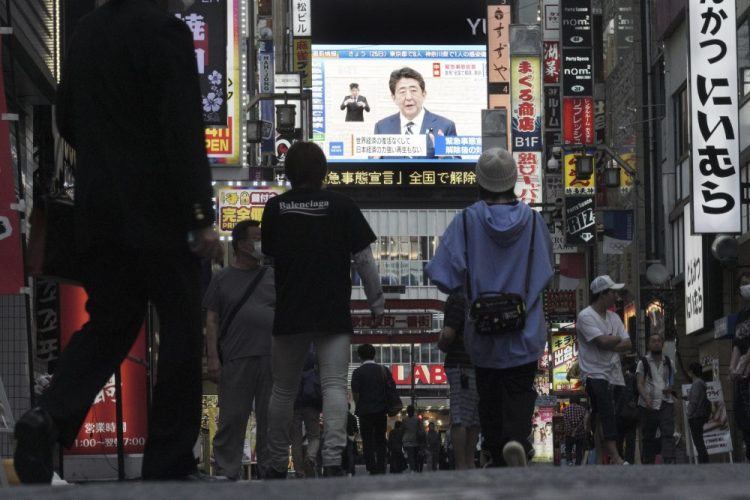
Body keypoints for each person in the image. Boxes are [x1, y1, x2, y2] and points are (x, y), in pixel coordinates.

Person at [12, 0, 223, 484]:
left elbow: (66, 119)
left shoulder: (84, 33)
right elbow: (182, 127)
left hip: (100, 209)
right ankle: (168, 459)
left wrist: (109, 157)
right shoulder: (165, 32)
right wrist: (199, 214)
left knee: (109, 323)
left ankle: (48, 417)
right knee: (182, 328)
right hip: (161, 213)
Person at [261, 141, 384, 478]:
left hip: (289, 313)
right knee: (333, 386)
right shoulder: (342, 205)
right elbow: (364, 260)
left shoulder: (275, 208)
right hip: (331, 312)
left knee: (282, 390)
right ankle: (332, 460)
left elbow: (268, 262)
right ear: (324, 172)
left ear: (288, 173)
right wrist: (376, 302)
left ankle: (273, 464)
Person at [425, 148, 554, 467]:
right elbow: (547, 272)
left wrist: (472, 287)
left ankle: (497, 451)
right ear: (514, 182)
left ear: (480, 184)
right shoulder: (535, 222)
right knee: (520, 389)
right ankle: (516, 440)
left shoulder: (466, 221)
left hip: (482, 332)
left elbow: (442, 275)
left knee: (489, 394)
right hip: (524, 329)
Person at [203, 220, 274, 480]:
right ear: (242, 245)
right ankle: (226, 468)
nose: (261, 244)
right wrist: (212, 357)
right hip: (236, 355)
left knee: (271, 418)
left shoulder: (272, 275)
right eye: (256, 238)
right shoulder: (222, 278)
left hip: (271, 357)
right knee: (232, 416)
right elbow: (212, 319)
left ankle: (270, 468)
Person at [576, 275, 632, 466]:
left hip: (614, 373)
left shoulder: (614, 317)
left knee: (605, 415)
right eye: (613, 292)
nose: (616, 296)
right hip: (593, 372)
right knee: (606, 412)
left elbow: (628, 344)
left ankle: (601, 457)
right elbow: (601, 342)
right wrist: (614, 339)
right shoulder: (585, 316)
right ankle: (615, 457)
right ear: (602, 294)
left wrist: (611, 340)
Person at [373, 67, 457, 157]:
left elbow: (458, 168)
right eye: (402, 92)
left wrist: (444, 158)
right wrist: (374, 162)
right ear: (393, 98)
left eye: (413, 90)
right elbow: (371, 167)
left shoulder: (445, 126)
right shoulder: (382, 127)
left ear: (424, 94)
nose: (408, 97)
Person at [437, 291, 479, 470]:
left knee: (460, 416)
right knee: (474, 417)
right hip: (479, 362)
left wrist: (440, 342)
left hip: (459, 363)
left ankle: (461, 464)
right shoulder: (476, 293)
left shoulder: (458, 298)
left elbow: (447, 335)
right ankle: (470, 461)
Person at [636, 333, 676, 464]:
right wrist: (646, 398)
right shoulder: (643, 363)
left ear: (662, 344)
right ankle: (648, 464)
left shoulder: (669, 362)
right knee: (648, 436)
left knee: (668, 434)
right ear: (649, 344)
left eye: (659, 341)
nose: (656, 343)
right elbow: (640, 383)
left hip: (666, 403)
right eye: (653, 341)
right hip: (648, 405)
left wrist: (670, 388)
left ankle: (669, 462)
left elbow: (672, 381)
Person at [351, 343, 390, 475]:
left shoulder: (357, 373)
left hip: (365, 411)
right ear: (374, 354)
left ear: (360, 357)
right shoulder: (383, 370)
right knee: (380, 439)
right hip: (381, 410)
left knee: (367, 440)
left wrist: (359, 404)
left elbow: (355, 393)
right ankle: (381, 466)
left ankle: (371, 467)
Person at [290, 347, 322, 478]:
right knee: (314, 436)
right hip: (311, 403)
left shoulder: (292, 356)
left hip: (294, 404)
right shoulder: (313, 355)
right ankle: (310, 456)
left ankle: (299, 471)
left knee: (295, 440)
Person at [729, 272, 750, 461]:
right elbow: (737, 342)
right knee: (743, 416)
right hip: (742, 376)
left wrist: (745, 360)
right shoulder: (741, 315)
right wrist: (732, 365)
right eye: (744, 284)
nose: (747, 287)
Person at [614, 358, 639, 464]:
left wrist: (634, 402)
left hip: (630, 414)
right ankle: (621, 461)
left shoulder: (632, 378)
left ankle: (629, 461)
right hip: (618, 413)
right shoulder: (614, 380)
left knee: (630, 439)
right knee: (619, 440)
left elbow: (637, 392)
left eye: (623, 367)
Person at [686, 362, 710, 464]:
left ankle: (703, 463)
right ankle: (704, 461)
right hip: (700, 415)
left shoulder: (697, 383)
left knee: (698, 442)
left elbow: (694, 401)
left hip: (696, 416)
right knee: (700, 441)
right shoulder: (701, 383)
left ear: (692, 372)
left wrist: (688, 413)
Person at [562, 397, 588, 466]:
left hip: (569, 434)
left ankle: (569, 461)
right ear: (578, 401)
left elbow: (565, 422)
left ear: (570, 401)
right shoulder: (583, 409)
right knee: (579, 450)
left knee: (568, 448)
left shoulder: (565, 409)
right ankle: (578, 464)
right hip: (580, 434)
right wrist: (576, 430)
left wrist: (570, 431)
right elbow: (584, 422)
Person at [402, 405, 421, 472]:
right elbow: (420, 430)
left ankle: (413, 469)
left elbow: (403, 430)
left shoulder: (404, 419)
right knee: (414, 456)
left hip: (407, 440)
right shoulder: (417, 419)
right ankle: (414, 468)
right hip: (415, 440)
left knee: (411, 456)